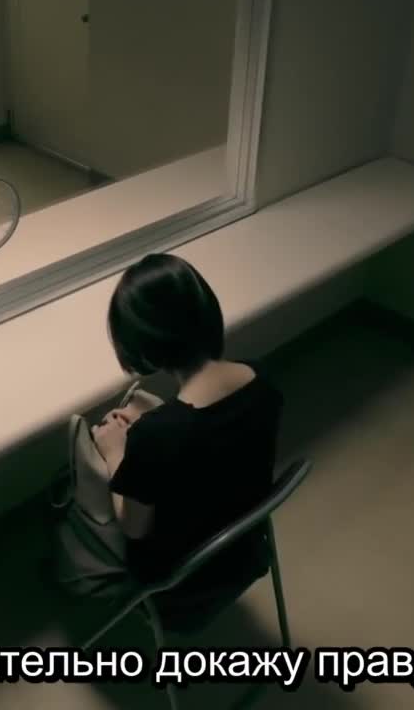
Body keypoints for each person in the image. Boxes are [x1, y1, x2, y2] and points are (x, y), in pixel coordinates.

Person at [51, 253, 285, 610]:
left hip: (180, 583)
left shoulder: (157, 436)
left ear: (144, 347)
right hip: (244, 551)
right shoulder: (263, 381)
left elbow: (133, 527)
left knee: (66, 495)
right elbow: (214, 443)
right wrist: (159, 419)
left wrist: (116, 452)